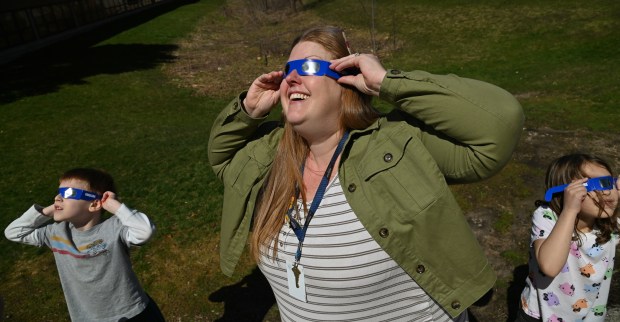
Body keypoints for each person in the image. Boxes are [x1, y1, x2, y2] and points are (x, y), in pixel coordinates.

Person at [208, 25, 524, 321]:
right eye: (288, 70)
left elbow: (499, 125)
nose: (291, 78)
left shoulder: (395, 141)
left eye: (307, 68)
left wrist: (387, 82)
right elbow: (221, 158)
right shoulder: (271, 154)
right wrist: (248, 113)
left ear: (346, 79)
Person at [4, 168, 165, 321]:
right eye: (59, 192)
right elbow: (13, 232)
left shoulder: (113, 228)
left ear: (94, 204)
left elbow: (145, 231)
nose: (58, 197)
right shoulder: (56, 233)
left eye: (68, 193)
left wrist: (115, 206)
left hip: (134, 314)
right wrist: (50, 209)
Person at [518, 154, 620, 321]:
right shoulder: (547, 216)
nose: (608, 191)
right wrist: (570, 211)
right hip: (541, 315)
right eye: (597, 185)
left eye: (610, 182)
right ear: (567, 192)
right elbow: (549, 266)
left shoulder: (608, 224)